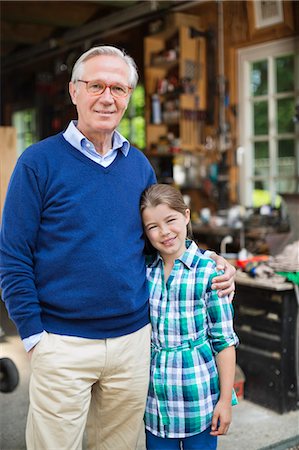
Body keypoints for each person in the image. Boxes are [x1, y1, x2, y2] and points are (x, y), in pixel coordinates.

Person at [0, 45, 236, 450]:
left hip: (132, 341)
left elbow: (160, 236)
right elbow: (13, 255)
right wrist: (35, 337)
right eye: (96, 85)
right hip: (62, 341)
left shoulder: (139, 165)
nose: (107, 97)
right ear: (74, 91)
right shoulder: (37, 163)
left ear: (128, 97)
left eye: (119, 88)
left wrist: (210, 261)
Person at [140, 184, 239, 450]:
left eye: (170, 220)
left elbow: (224, 342)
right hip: (156, 404)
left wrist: (224, 402)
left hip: (200, 401)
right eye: (152, 227)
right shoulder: (145, 272)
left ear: (186, 216)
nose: (164, 232)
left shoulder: (209, 273)